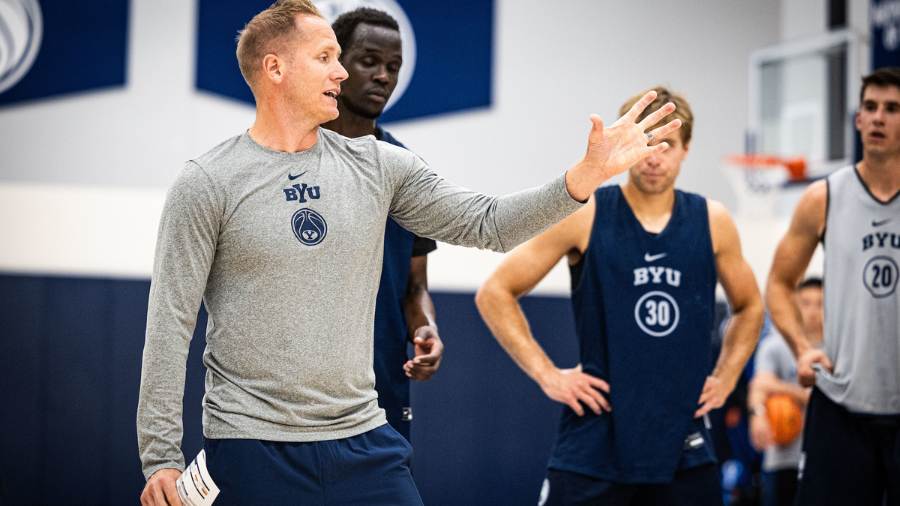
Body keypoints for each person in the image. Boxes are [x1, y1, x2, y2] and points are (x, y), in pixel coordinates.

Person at [135, 1, 682, 504]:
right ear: (275, 69)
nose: (342, 72)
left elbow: (487, 223)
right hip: (251, 448)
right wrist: (160, 457)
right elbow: (169, 323)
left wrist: (584, 176)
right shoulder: (207, 181)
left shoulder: (380, 165)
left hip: (364, 441)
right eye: (326, 57)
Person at [476, 87, 763, 506]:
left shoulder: (713, 221)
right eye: (644, 143)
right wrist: (547, 374)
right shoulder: (585, 212)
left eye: (666, 145)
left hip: (683, 443)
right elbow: (495, 292)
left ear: (686, 150)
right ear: (624, 145)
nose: (654, 157)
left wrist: (728, 376)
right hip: (594, 443)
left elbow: (751, 306)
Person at [766, 67, 900, 506]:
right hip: (840, 404)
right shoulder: (823, 197)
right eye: (870, 107)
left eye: (892, 109)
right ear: (858, 119)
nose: (878, 117)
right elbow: (780, 284)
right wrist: (803, 347)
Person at [322, 7, 442, 442]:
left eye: (393, 67)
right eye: (369, 61)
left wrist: (425, 328)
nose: (383, 77)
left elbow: (414, 287)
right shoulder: (288, 155)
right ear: (334, 64)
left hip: (379, 392)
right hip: (293, 399)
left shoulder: (405, 169)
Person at [749, 277, 823, 506]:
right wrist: (758, 414)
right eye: (806, 303)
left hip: (824, 457)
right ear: (794, 305)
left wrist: (778, 386)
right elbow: (758, 387)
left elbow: (823, 398)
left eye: (820, 304)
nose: (812, 311)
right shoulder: (774, 345)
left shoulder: (839, 348)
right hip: (781, 457)